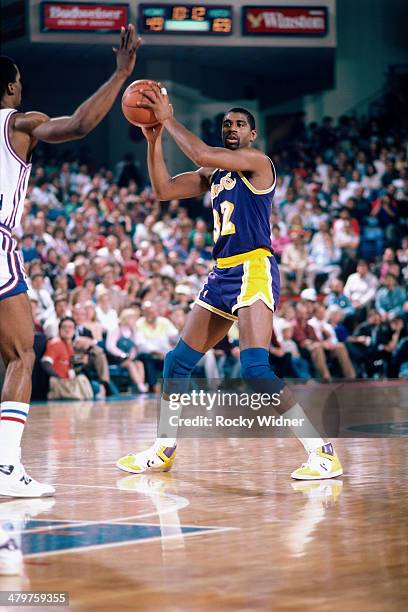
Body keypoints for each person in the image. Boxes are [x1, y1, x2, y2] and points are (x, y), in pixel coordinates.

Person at [116, 87, 343, 481]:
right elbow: (163, 190)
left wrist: (167, 117)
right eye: (226, 124)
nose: (232, 128)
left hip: (253, 266)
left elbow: (202, 153)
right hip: (222, 272)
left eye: (240, 124)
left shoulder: (258, 162)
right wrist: (153, 142)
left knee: (255, 368)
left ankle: (321, 450)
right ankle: (163, 449)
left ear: (252, 135)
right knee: (177, 362)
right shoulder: (214, 173)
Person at [0, 25, 140, 497]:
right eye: (18, 80)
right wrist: (120, 75)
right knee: (21, 355)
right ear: (12, 88)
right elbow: (79, 124)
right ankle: (5, 467)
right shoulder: (18, 123)